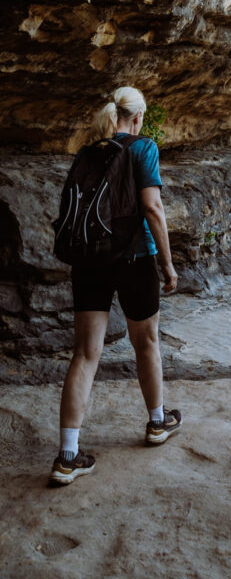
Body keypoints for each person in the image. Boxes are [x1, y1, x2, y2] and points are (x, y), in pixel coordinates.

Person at [49, 86, 181, 486]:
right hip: (134, 258)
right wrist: (168, 263)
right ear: (138, 117)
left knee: (85, 355)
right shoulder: (143, 148)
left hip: (90, 260)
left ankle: (68, 456)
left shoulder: (89, 152)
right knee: (147, 342)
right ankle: (157, 423)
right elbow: (152, 207)